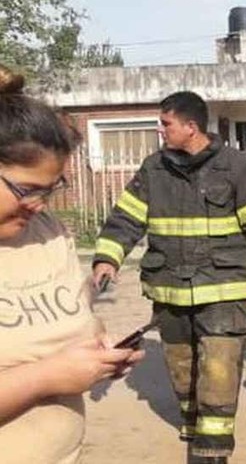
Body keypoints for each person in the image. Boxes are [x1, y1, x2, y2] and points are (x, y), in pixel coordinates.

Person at [91, 91, 246, 464]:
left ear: (190, 127)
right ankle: (195, 429)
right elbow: (126, 218)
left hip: (224, 290)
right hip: (170, 291)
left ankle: (213, 451)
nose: (160, 130)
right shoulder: (154, 169)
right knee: (182, 370)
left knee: (218, 369)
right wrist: (107, 258)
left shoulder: (237, 168)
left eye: (166, 124)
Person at [0, 65, 144, 464]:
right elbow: (46, 368)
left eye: (50, 190)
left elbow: (75, 320)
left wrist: (98, 353)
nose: (38, 205)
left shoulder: (46, 233)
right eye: (26, 190)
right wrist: (46, 378)